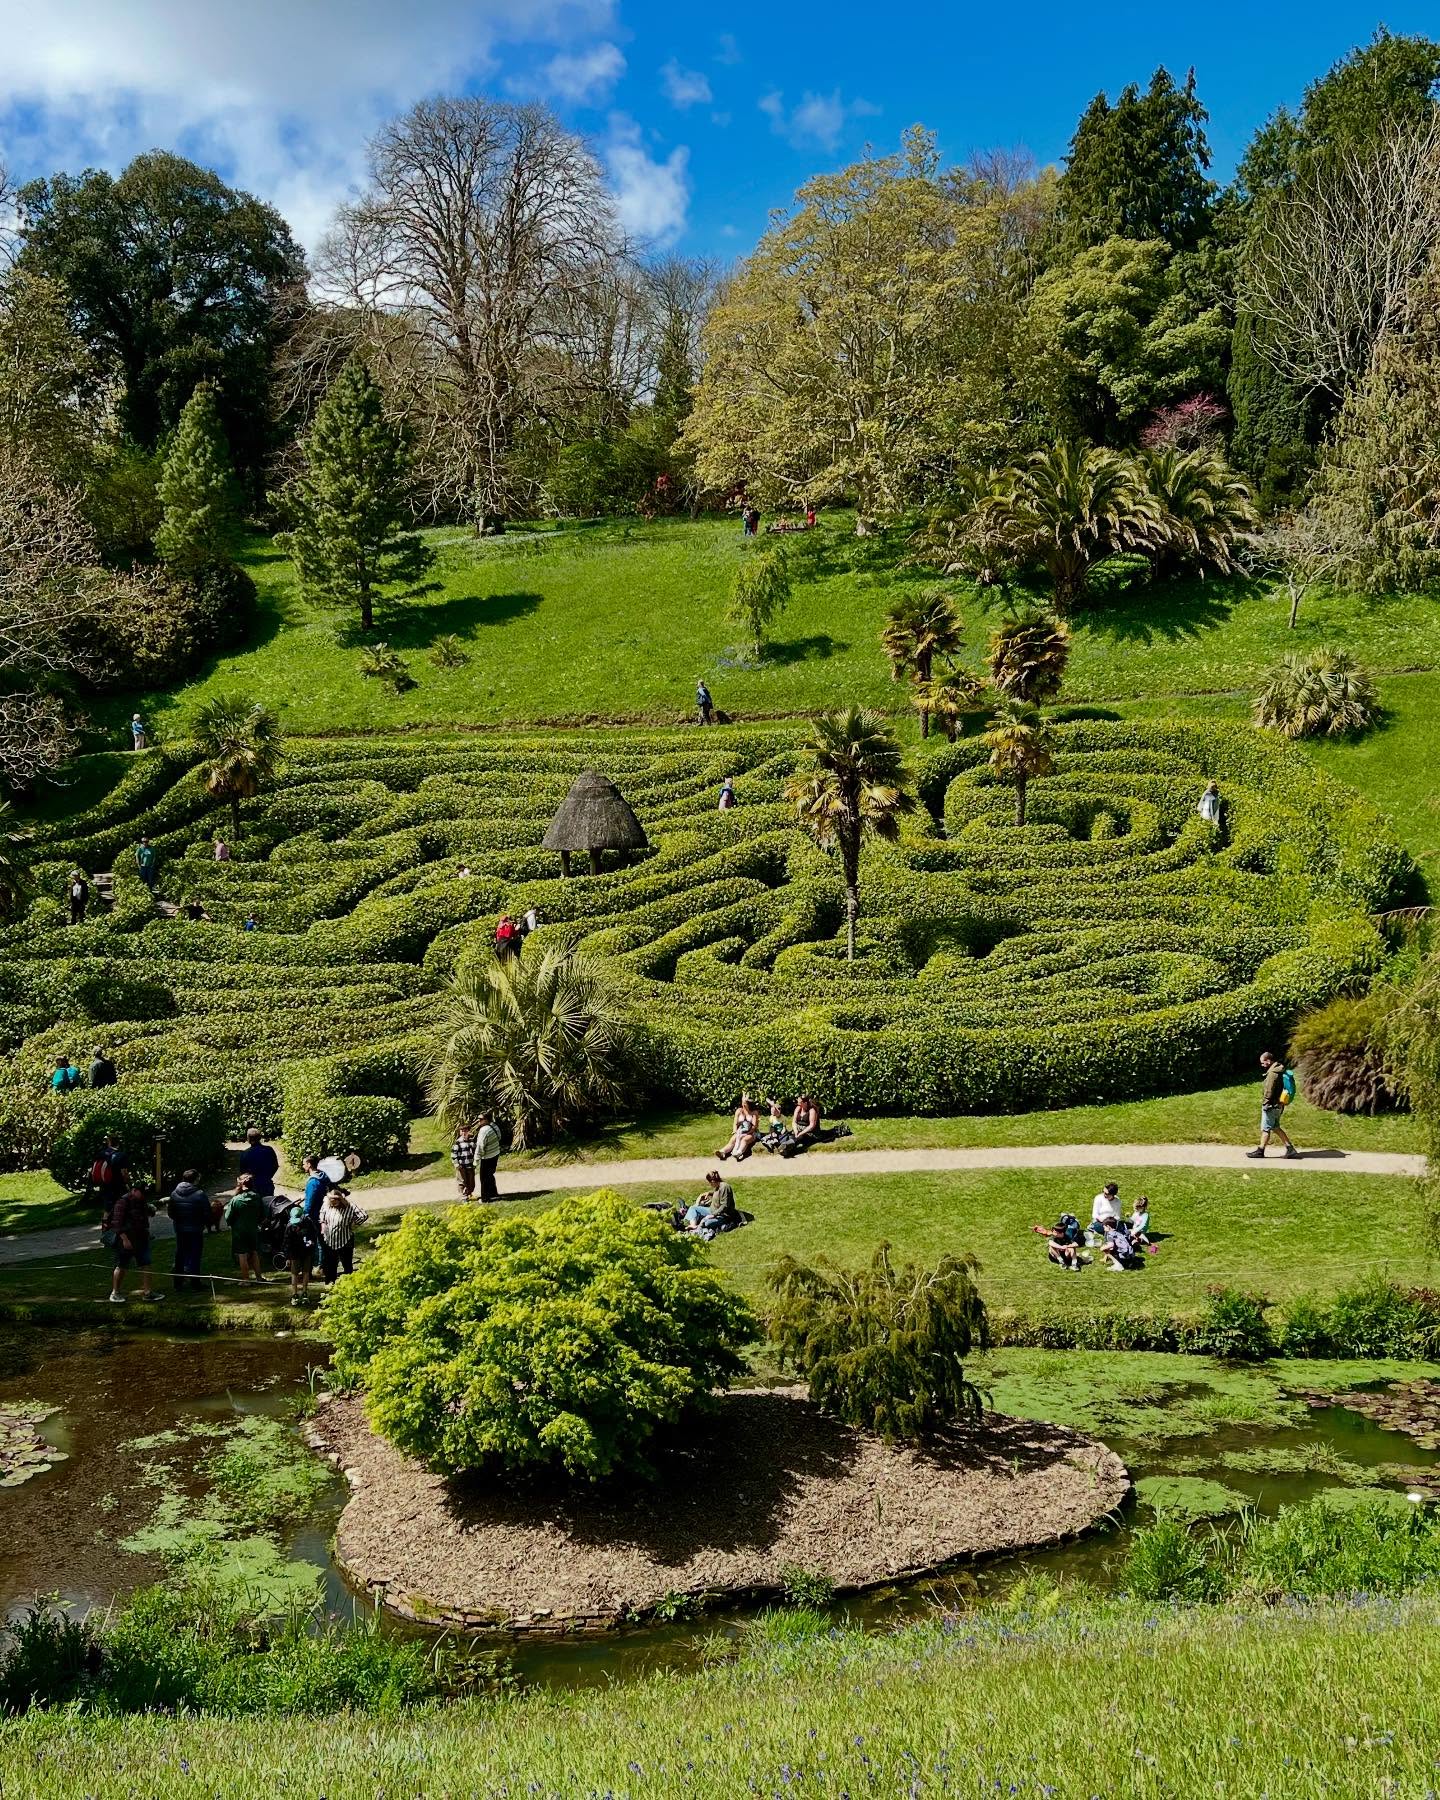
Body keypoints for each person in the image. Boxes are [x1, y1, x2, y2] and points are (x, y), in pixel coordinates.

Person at [107, 1187, 157, 1303]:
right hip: (127, 1238)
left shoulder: (142, 1201)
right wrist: (125, 1239)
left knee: (146, 1263)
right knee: (122, 1265)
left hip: (141, 1237)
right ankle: (115, 1292)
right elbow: (116, 1224)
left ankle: (148, 1292)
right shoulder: (122, 1202)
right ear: (134, 1190)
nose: (142, 1196)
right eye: (141, 1193)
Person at [1247, 1051, 1300, 1160]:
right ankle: (1290, 1149)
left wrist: (1265, 1103)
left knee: (1266, 1128)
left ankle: (1260, 1151)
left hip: (1271, 1105)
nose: (1262, 1065)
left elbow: (1269, 1090)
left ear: (1268, 1061)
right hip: (1279, 1105)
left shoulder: (1273, 1073)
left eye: (1263, 1063)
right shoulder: (1280, 1070)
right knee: (1275, 1127)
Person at [168, 1170, 212, 1293]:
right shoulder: (199, 1194)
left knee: (180, 1256)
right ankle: (195, 1283)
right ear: (195, 1179)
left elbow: (170, 1213)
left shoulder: (174, 1193)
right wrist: (201, 1223)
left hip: (180, 1229)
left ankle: (178, 1283)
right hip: (195, 1229)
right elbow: (207, 1213)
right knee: (195, 1256)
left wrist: (179, 1221)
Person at [222, 1173, 265, 1285]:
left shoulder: (236, 1200)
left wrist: (232, 1223)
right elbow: (262, 1214)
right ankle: (259, 1277)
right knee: (254, 1252)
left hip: (239, 1231)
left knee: (242, 1254)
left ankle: (246, 1280)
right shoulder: (257, 1197)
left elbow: (228, 1216)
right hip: (253, 1229)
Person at [318, 1187, 368, 1283]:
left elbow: (364, 1215)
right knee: (330, 1265)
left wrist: (354, 1224)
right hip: (330, 1240)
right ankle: (330, 1284)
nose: (333, 1204)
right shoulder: (326, 1204)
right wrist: (323, 1223)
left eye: (335, 1202)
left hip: (345, 1240)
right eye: (331, 1202)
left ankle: (349, 1283)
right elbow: (322, 1212)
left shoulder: (350, 1206)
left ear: (340, 1200)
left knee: (347, 1264)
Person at [683, 1171, 740, 1240]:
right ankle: (693, 1225)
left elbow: (725, 1205)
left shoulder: (725, 1187)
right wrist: (709, 1193)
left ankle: (700, 1224)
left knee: (706, 1223)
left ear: (713, 1181)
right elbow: (718, 1194)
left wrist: (713, 1215)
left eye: (710, 1182)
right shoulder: (718, 1186)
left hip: (723, 1215)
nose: (710, 1184)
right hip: (711, 1210)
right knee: (692, 1208)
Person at [283, 1200, 318, 1305]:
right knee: (294, 1273)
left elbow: (314, 1236)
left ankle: (305, 1292)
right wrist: (287, 1257)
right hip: (294, 1253)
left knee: (306, 1272)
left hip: (307, 1252)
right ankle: (294, 1294)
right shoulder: (289, 1226)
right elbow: (286, 1242)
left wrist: (311, 1244)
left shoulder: (308, 1222)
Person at [237, 1126, 279, 1198]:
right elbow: (275, 1166)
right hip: (267, 1185)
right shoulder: (269, 1150)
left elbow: (243, 1172)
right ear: (260, 1138)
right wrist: (267, 1177)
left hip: (252, 1187)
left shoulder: (245, 1154)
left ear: (248, 1139)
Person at [717, 1095, 760, 1162]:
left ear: (748, 1104)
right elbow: (735, 1123)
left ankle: (739, 1153)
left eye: (744, 1103)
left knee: (744, 1140)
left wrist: (747, 1133)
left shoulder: (754, 1113)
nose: (743, 1104)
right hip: (741, 1130)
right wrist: (735, 1131)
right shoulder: (739, 1111)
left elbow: (754, 1126)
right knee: (733, 1140)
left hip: (751, 1132)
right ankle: (722, 1152)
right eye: (743, 1102)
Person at [89, 1134, 129, 1205]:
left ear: (109, 1142)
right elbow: (124, 1173)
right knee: (123, 1206)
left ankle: (107, 1216)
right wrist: (126, 1183)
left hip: (105, 1184)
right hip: (119, 1185)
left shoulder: (101, 1153)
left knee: (108, 1209)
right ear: (119, 1143)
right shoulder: (121, 1155)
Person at [474, 1112, 501, 1202]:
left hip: (487, 1157)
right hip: (495, 1153)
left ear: (486, 1120)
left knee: (484, 1178)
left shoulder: (484, 1130)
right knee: (490, 1175)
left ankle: (485, 1198)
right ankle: (493, 1193)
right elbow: (499, 1137)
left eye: (481, 1119)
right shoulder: (494, 1125)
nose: (478, 1121)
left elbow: (480, 1146)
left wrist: (476, 1159)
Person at [301, 1154, 332, 1227]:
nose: (303, 1166)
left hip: (315, 1215)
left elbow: (310, 1202)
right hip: (326, 1211)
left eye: (304, 1164)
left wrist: (305, 1214)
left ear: (309, 1165)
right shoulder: (323, 1176)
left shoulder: (312, 1182)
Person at [451, 1125, 477, 1200]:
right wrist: (456, 1163)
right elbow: (453, 1154)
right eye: (462, 1131)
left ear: (468, 1131)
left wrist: (475, 1161)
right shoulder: (458, 1142)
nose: (464, 1133)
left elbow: (475, 1151)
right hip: (461, 1165)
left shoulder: (471, 1141)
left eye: (465, 1131)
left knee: (471, 1180)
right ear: (460, 1132)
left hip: (470, 1164)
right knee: (462, 1180)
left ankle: (469, 1193)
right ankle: (462, 1195)